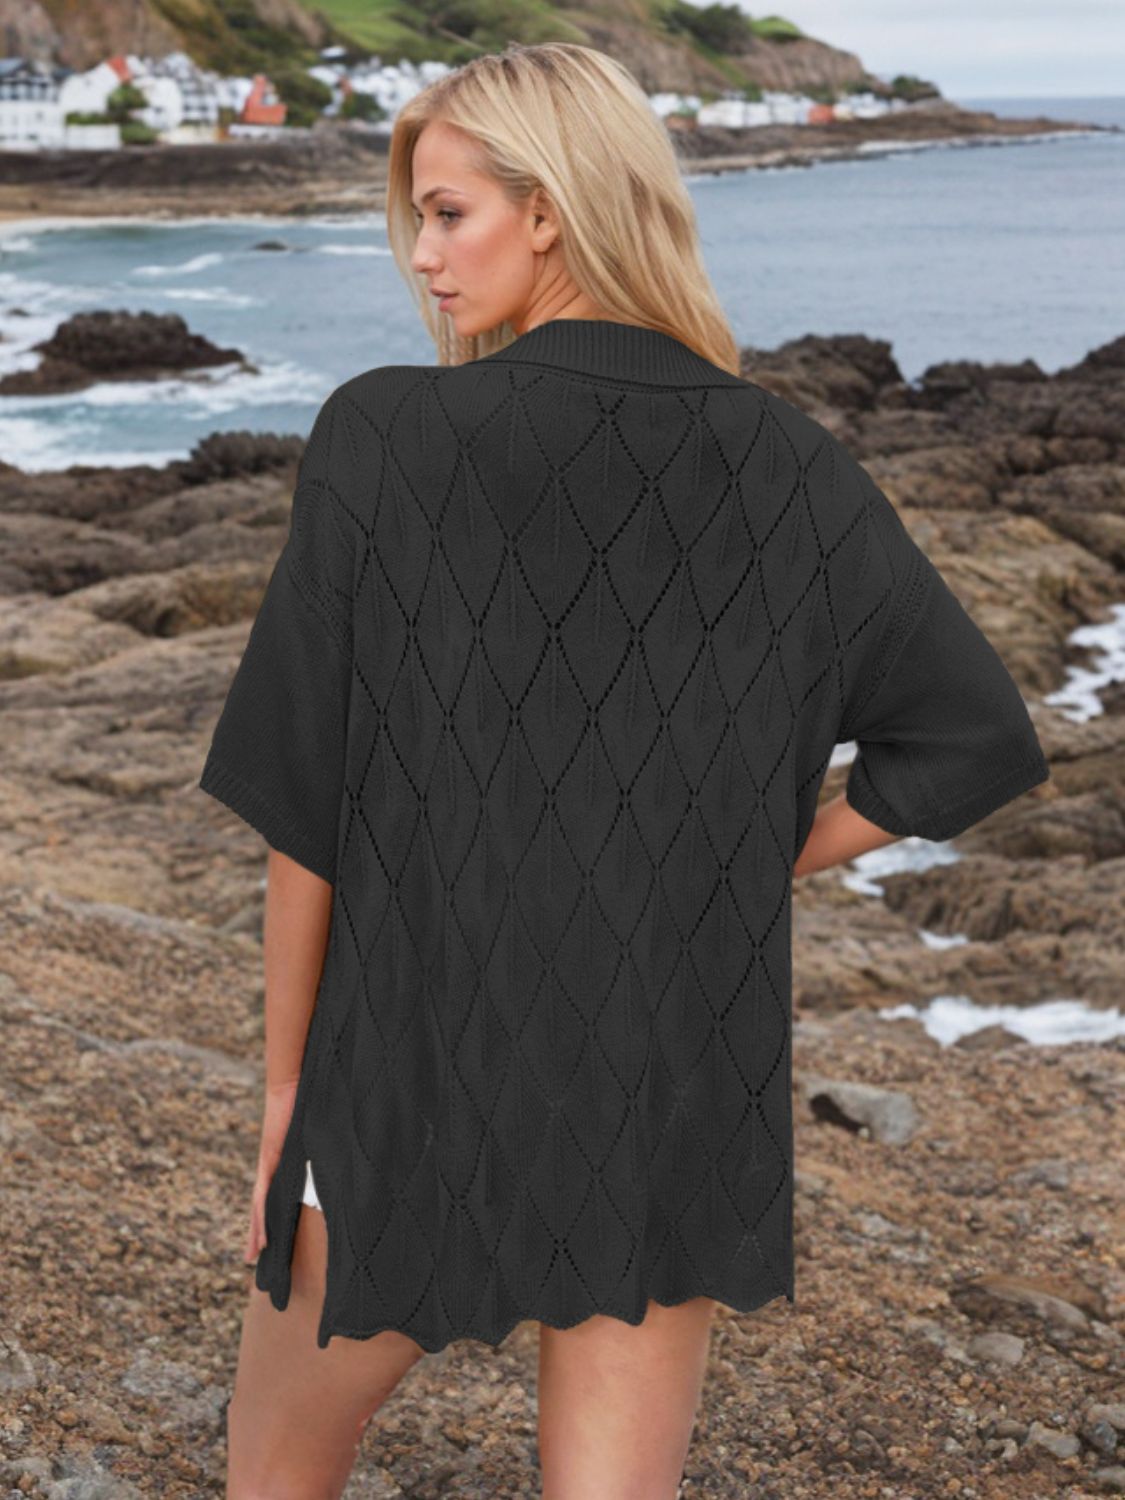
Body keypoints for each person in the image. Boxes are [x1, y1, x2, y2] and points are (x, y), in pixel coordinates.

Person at [198, 41, 1051, 1500]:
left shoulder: (386, 435)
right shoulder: (789, 463)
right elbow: (975, 737)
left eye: (447, 213)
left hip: (412, 1056)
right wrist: (745, 857)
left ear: (549, 210)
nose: (422, 255)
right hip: (671, 1070)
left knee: (277, 1461)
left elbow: (308, 809)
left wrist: (286, 1088)